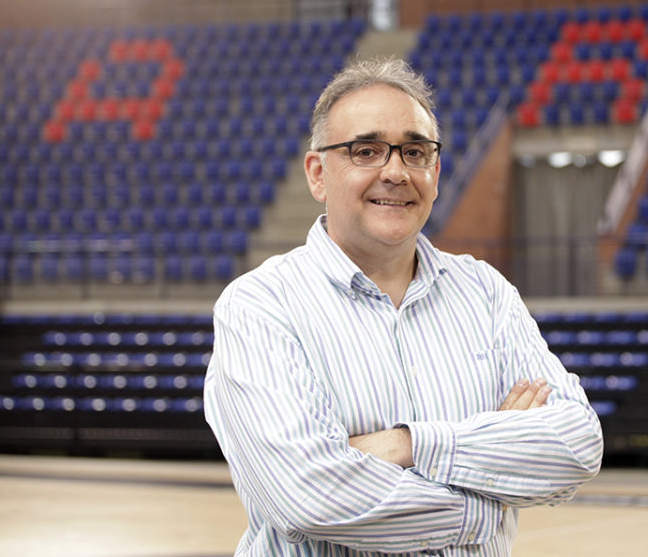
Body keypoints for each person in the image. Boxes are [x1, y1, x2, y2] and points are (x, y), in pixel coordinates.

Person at [204, 57, 603, 555]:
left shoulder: (486, 292)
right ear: (318, 174)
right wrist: (486, 500)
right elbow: (308, 497)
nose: (395, 172)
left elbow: (577, 444)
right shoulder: (261, 305)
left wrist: (405, 444)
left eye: (415, 152)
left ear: (435, 171)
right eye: (366, 151)